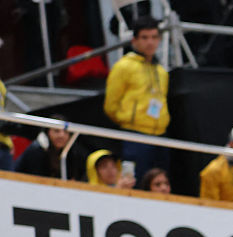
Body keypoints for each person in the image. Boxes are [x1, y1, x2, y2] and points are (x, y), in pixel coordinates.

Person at [103, 15, 170, 186]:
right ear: (134, 40)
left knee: (158, 183)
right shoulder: (124, 66)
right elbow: (111, 104)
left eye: (154, 37)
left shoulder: (161, 71)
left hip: (160, 135)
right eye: (145, 37)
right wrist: (129, 121)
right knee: (133, 182)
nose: (150, 42)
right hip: (134, 135)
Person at [14, 117, 88, 181]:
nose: (61, 135)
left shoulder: (73, 152)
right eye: (56, 131)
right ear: (47, 133)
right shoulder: (36, 150)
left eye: (66, 132)